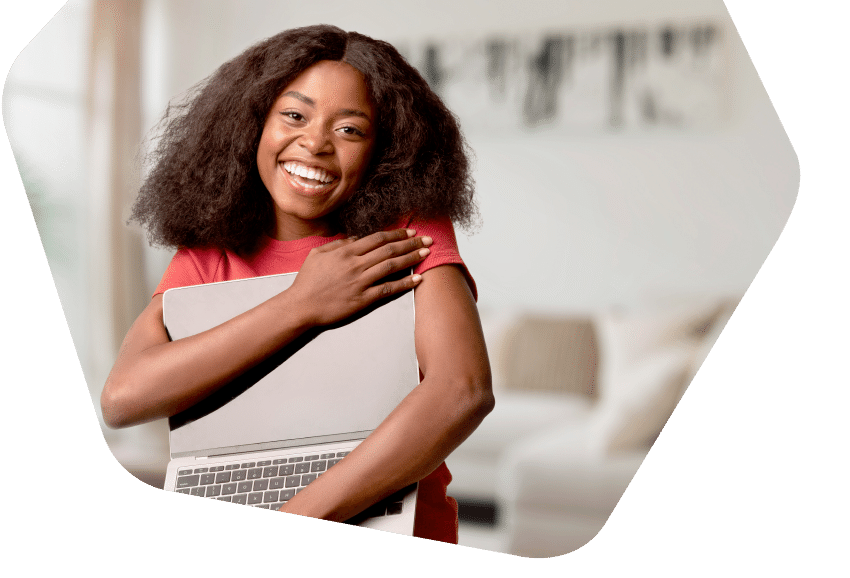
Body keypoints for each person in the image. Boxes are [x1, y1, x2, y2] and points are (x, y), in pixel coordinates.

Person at [101, 24, 493, 544]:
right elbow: (123, 399)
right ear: (252, 124)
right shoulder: (208, 250)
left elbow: (463, 391)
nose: (315, 143)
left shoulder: (406, 229)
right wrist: (301, 303)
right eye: (294, 115)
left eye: (350, 130)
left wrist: (296, 520)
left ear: (384, 151)